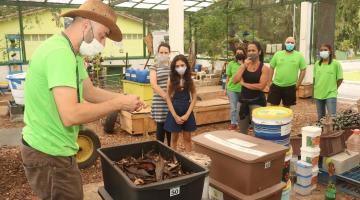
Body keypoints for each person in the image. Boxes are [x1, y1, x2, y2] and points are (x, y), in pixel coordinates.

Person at [21, 0, 143, 199]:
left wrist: (124, 98)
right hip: (49, 153)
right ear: (86, 25)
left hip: (57, 148)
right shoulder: (60, 54)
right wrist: (118, 104)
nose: (102, 44)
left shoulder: (72, 53)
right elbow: (70, 115)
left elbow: (89, 91)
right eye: (102, 36)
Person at [233, 41, 269, 134]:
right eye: (249, 51)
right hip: (243, 101)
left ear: (259, 52)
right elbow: (235, 80)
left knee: (258, 131)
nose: (251, 52)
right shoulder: (244, 66)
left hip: (257, 102)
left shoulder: (264, 68)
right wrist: (243, 66)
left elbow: (261, 86)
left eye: (253, 50)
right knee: (242, 132)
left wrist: (244, 84)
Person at [164, 55, 197, 152]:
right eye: (177, 66)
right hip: (175, 110)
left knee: (187, 138)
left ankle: (189, 160)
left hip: (187, 110)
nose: (180, 68)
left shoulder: (190, 80)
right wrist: (174, 115)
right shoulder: (171, 79)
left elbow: (194, 97)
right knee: (174, 139)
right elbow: (168, 98)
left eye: (182, 65)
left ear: (186, 65)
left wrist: (187, 114)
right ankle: (172, 160)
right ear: (174, 68)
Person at [268, 36, 307, 108]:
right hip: (276, 85)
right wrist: (269, 81)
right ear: (285, 43)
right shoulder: (278, 54)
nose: (290, 44)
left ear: (295, 44)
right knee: (272, 107)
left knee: (287, 108)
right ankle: (275, 120)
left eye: (292, 43)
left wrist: (298, 84)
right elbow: (271, 67)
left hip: (290, 87)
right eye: (288, 42)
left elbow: (303, 70)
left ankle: (283, 120)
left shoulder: (299, 56)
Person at [149, 43, 172, 146]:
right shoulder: (154, 66)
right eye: (161, 52)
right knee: (160, 127)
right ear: (158, 53)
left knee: (171, 126)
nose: (163, 54)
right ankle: (160, 150)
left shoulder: (174, 65)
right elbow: (153, 84)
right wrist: (165, 96)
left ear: (169, 53)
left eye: (165, 52)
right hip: (160, 101)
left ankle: (171, 150)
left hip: (172, 100)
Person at [313, 44, 343, 120]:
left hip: (330, 93)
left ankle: (333, 132)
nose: (323, 52)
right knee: (321, 117)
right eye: (321, 50)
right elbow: (315, 79)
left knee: (332, 116)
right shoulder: (317, 64)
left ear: (330, 52)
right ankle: (322, 131)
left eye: (325, 50)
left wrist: (334, 88)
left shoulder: (336, 64)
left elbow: (340, 79)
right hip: (318, 94)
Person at [225, 47, 246, 130]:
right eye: (237, 53)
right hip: (232, 89)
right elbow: (228, 77)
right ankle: (233, 123)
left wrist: (242, 65)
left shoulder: (247, 64)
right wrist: (225, 88)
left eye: (241, 53)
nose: (239, 54)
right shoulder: (231, 64)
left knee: (242, 107)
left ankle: (244, 123)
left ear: (244, 54)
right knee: (233, 107)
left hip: (243, 89)